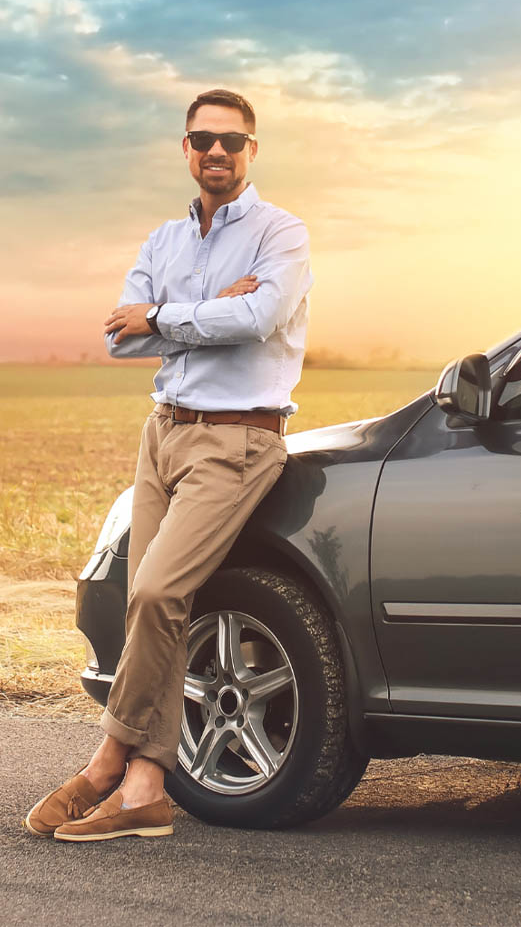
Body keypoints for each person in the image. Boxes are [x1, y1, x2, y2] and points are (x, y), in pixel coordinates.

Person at [24, 88, 312, 842]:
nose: (216, 151)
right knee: (149, 608)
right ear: (185, 149)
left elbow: (258, 320)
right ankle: (147, 788)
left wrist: (165, 316)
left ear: (253, 151)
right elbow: (120, 337)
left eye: (232, 141)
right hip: (163, 433)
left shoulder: (282, 234)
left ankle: (103, 764)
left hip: (238, 438)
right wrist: (206, 312)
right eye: (201, 139)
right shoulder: (163, 239)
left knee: (155, 591)